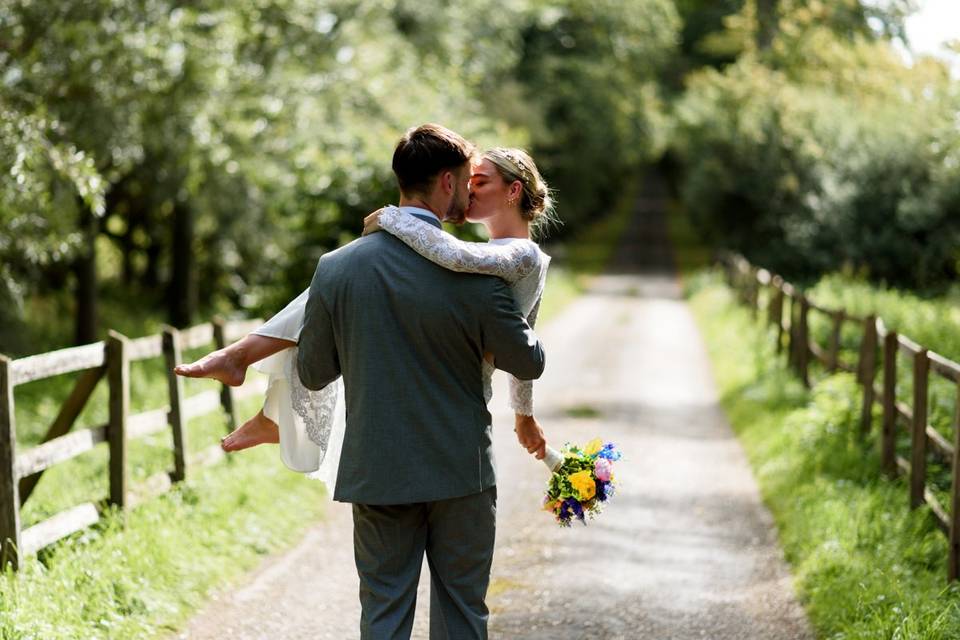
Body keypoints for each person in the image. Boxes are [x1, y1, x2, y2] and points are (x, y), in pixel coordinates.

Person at [175, 142, 558, 482]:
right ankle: (265, 398)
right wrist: (524, 415)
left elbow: (455, 256)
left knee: (342, 276)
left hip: (460, 376)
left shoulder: (519, 254)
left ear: (513, 190)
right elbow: (527, 330)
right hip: (448, 355)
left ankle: (254, 379)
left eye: (480, 182)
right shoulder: (493, 255)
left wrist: (393, 219)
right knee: (336, 284)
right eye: (468, 181)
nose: (468, 188)